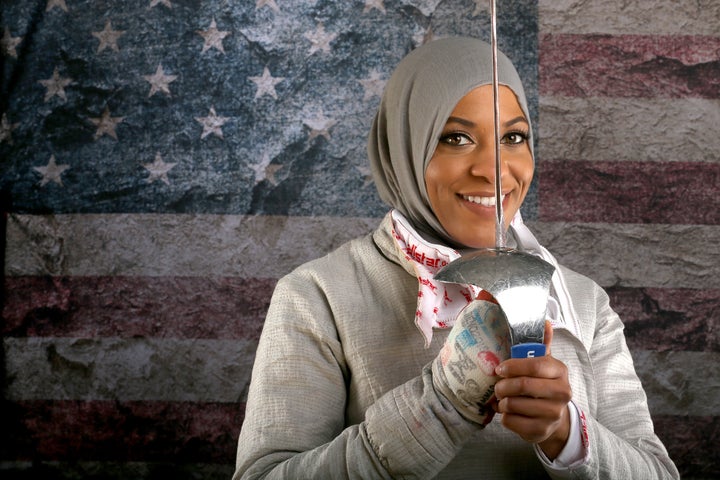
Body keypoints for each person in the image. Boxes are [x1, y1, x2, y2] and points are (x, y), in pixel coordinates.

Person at [233, 37, 679, 479]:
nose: (495, 168)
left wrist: (566, 434)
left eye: (514, 137)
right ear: (405, 147)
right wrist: (444, 402)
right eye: (457, 137)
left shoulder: (583, 300)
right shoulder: (318, 295)